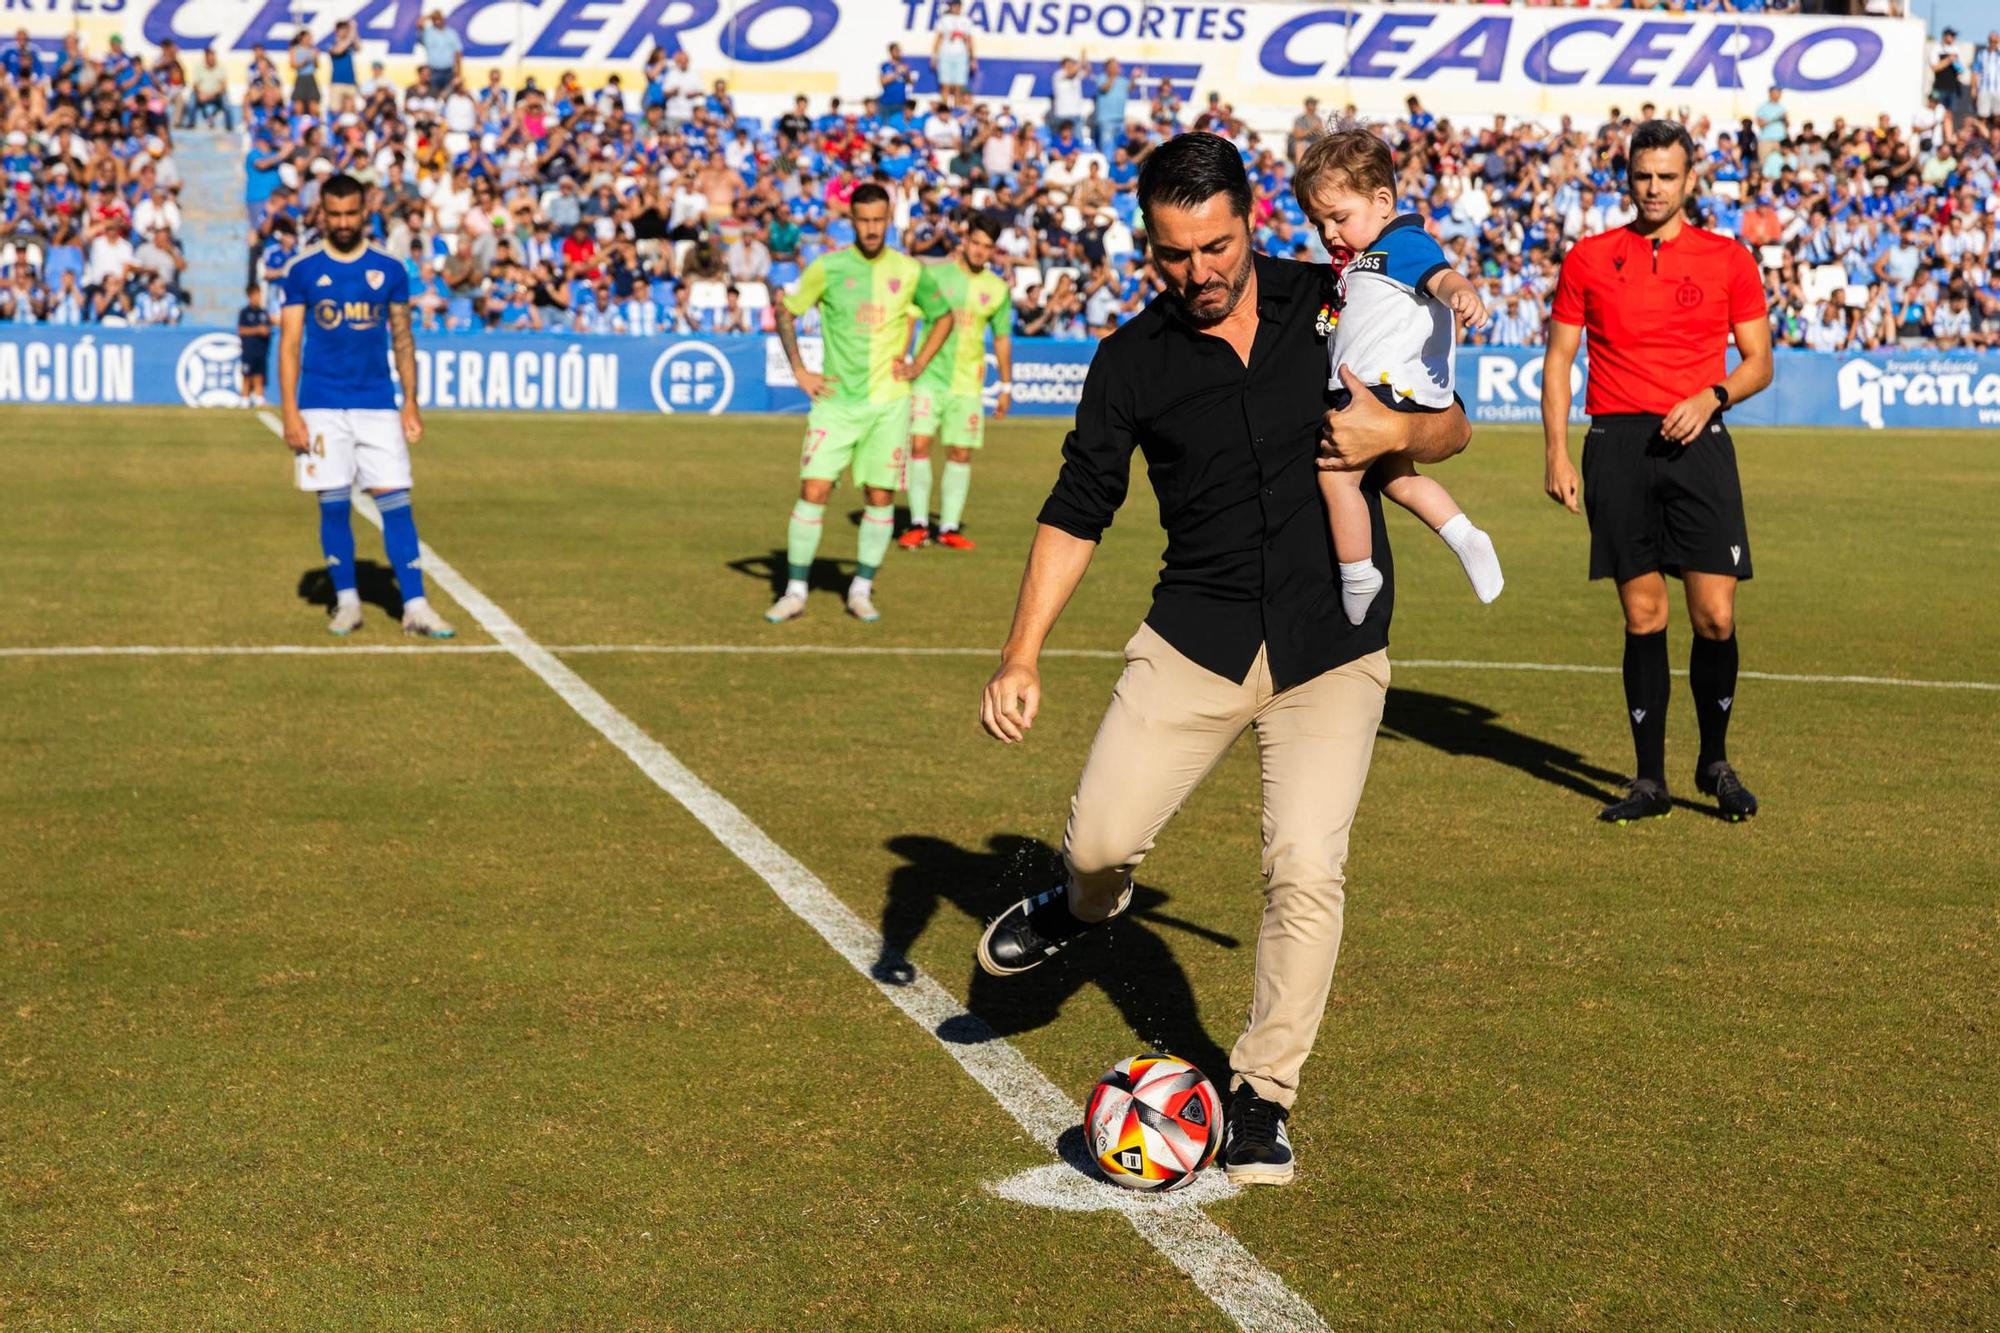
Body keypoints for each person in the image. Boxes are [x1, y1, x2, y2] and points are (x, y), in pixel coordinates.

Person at [975, 133, 1472, 1186]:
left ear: (1251, 221)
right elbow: (1077, 510)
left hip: (1331, 647)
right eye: (1171, 254)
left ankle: (1261, 1097)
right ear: (1144, 245)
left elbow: (1448, 426)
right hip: (1192, 637)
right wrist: (1021, 653)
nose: (1196, 272)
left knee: (1304, 867)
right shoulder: (1129, 361)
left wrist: (1395, 433)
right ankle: (1075, 906)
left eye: (1215, 245)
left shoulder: (1334, 299)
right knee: (1101, 844)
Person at [1540, 121, 1773, 825]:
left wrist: (1713, 395)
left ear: (1689, 181)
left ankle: (1716, 761)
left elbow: (1760, 361)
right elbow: (1558, 360)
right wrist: (1555, 449)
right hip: (1616, 444)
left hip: (1699, 441)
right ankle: (1649, 781)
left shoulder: (1728, 258)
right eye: (1643, 175)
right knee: (1644, 615)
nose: (1653, 188)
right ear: (1628, 176)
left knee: (1716, 615)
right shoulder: (1588, 257)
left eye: (1667, 176)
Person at [1293, 128, 1504, 622]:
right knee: (1398, 479)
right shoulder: (1359, 262)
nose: (1329, 234)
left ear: (1382, 200)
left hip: (1384, 390)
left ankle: (1358, 571)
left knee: (1336, 475)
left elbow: (1439, 274)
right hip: (1388, 390)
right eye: (1318, 223)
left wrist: (1461, 292)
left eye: (1339, 218)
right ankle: (1465, 536)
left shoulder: (1399, 243)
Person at [278, 173, 456, 640]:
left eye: (350, 214)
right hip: (320, 405)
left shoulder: (390, 269)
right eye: (333, 214)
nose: (341, 222)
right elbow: (290, 343)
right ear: (322, 212)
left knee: (396, 500)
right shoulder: (302, 269)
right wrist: (290, 412)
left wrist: (410, 402)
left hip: (377, 403)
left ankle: (415, 605)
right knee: (333, 502)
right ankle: (348, 602)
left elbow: (402, 337)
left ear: (365, 212)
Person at [768, 182, 955, 625]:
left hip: (889, 405)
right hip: (836, 403)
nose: (871, 229)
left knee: (879, 495)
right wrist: (800, 370)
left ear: (888, 219)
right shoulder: (828, 267)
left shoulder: (908, 271)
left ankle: (861, 588)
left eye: (878, 220)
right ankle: (795, 590)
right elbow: (785, 310)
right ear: (850, 220)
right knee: (813, 490)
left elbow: (943, 316)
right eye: (863, 221)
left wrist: (918, 364)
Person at [900, 217, 1013, 551]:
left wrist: (1006, 386)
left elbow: (1003, 339)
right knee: (919, 445)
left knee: (960, 453)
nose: (980, 251)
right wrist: (902, 357)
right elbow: (910, 317)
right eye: (976, 243)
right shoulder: (936, 275)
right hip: (927, 377)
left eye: (987, 247)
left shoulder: (997, 289)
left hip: (967, 384)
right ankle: (919, 524)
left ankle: (948, 527)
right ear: (965, 241)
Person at [933, 0, 975, 104]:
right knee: (945, 85)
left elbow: (969, 40)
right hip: (945, 54)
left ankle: (957, 110)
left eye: (957, 6)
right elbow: (939, 38)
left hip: (961, 55)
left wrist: (972, 58)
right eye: (953, 6)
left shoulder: (966, 20)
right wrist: (934, 56)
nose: (955, 8)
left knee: (959, 87)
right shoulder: (944, 20)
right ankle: (944, 109)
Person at [238, 282, 272, 407]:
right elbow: (241, 330)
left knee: (259, 375)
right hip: (249, 350)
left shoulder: (263, 312)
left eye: (259, 294)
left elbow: (268, 328)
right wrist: (258, 330)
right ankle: (244, 400)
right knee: (247, 375)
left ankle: (259, 398)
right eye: (256, 295)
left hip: (261, 350)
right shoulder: (245, 312)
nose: (258, 297)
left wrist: (266, 331)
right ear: (250, 296)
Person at [419, 10, 462, 96]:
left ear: (443, 20)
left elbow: (457, 54)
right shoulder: (429, 32)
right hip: (433, 71)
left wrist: (458, 73)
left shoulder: (451, 33)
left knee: (449, 96)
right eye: (435, 19)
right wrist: (429, 16)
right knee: (433, 96)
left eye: (439, 19)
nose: (437, 21)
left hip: (449, 71)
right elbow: (419, 24)